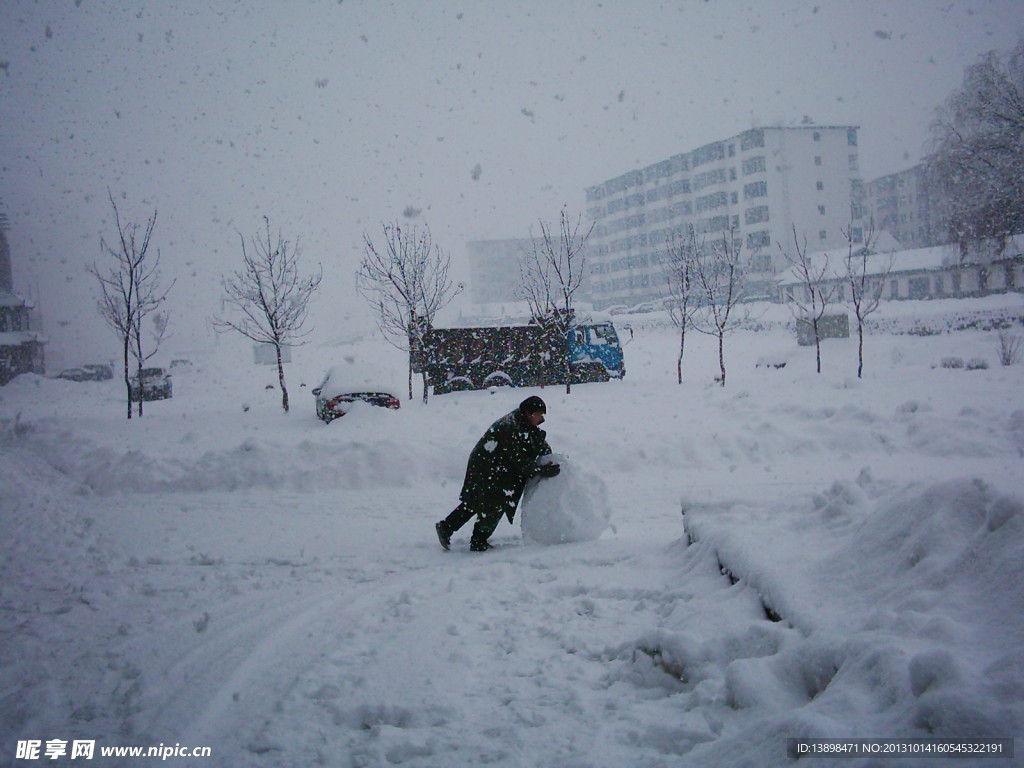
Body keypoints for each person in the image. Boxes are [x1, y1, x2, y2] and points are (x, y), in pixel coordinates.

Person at [435, 395, 560, 552]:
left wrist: (549, 456)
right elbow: (520, 461)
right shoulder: (511, 427)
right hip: (487, 466)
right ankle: (478, 540)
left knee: (477, 500)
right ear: (528, 413)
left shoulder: (523, 422)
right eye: (539, 414)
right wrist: (542, 471)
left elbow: (535, 441)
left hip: (495, 466)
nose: (541, 418)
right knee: (494, 503)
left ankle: (446, 527)